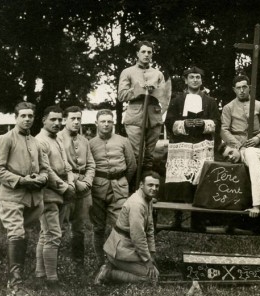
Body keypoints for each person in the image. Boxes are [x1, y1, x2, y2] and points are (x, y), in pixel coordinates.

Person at [0, 102, 49, 296]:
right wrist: (21, 181)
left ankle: (18, 275)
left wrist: (42, 178)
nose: (27, 119)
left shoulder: (36, 142)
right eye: (23, 116)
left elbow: (44, 168)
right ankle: (14, 284)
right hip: (12, 197)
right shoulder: (5, 139)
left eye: (30, 116)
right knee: (16, 234)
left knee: (22, 236)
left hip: (32, 199)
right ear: (15, 117)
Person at [164, 66, 220, 203]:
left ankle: (198, 221)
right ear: (186, 80)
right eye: (191, 77)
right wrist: (183, 124)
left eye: (198, 77)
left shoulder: (210, 101)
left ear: (201, 81)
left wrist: (204, 123)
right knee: (181, 183)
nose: (195, 80)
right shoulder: (177, 100)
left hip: (202, 146)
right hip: (182, 147)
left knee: (201, 182)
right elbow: (169, 121)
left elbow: (217, 121)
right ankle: (177, 219)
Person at [94, 172, 161, 285]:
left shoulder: (147, 199)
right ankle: (108, 273)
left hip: (129, 248)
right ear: (141, 185)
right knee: (151, 279)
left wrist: (152, 254)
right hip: (119, 250)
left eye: (157, 186)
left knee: (155, 273)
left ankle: (114, 267)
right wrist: (147, 260)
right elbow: (138, 237)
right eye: (150, 185)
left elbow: (149, 229)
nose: (154, 188)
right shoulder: (137, 204)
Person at [89, 109, 137, 267]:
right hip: (97, 190)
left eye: (109, 121)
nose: (106, 124)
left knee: (121, 226)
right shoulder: (90, 144)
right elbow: (88, 167)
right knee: (98, 227)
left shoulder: (123, 141)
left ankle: (118, 261)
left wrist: (122, 182)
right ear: (96, 123)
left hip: (119, 189)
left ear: (113, 123)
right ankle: (100, 262)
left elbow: (131, 166)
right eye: (102, 121)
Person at [34, 105, 75, 288]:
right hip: (48, 194)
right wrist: (64, 187)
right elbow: (46, 170)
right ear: (44, 120)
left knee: (47, 234)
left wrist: (72, 182)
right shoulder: (39, 141)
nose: (57, 123)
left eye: (60, 120)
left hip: (61, 192)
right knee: (53, 235)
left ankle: (40, 274)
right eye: (53, 119)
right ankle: (52, 280)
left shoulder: (57, 139)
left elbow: (66, 165)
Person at [118, 40, 167, 172]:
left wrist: (154, 90)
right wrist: (138, 90)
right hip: (135, 118)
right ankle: (132, 185)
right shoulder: (127, 72)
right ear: (137, 54)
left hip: (154, 117)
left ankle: (147, 185)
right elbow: (121, 95)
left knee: (149, 156)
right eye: (143, 52)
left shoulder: (158, 74)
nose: (146, 55)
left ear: (152, 55)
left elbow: (164, 96)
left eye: (149, 52)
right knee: (136, 154)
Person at [57, 106, 96, 273]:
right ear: (65, 119)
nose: (76, 122)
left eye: (79, 119)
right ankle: (52, 267)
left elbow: (91, 164)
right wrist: (74, 181)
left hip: (83, 189)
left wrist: (87, 181)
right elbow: (59, 166)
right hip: (65, 188)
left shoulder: (84, 140)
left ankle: (78, 265)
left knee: (79, 228)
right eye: (72, 118)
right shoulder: (57, 138)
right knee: (57, 228)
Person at [221, 74, 260, 149]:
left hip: (258, 146)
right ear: (234, 89)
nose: (241, 90)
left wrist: (258, 139)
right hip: (237, 148)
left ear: (249, 87)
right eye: (238, 88)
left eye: (244, 87)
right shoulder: (228, 107)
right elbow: (224, 130)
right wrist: (238, 146)